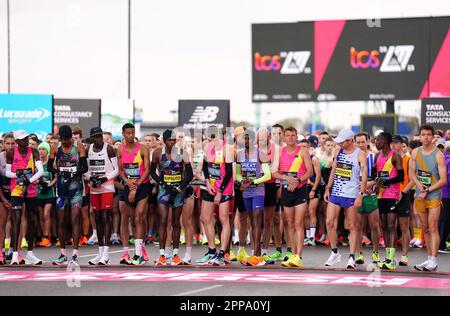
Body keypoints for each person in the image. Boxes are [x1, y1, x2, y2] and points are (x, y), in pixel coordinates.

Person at [323, 128, 367, 269]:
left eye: (342, 142)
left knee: (352, 226)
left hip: (352, 194)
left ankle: (352, 257)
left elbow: (364, 176)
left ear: (349, 141)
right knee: (329, 222)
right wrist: (328, 188)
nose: (339, 144)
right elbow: (333, 171)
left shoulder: (360, 154)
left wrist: (361, 194)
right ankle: (334, 252)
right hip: (336, 192)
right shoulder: (338, 151)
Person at [150, 129, 193, 265]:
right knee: (163, 221)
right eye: (169, 140)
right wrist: (162, 183)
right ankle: (162, 255)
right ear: (164, 140)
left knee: (176, 222)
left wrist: (180, 187)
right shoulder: (157, 153)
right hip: (164, 190)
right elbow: (152, 172)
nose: (172, 142)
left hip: (178, 191)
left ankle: (175, 255)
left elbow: (189, 174)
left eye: (174, 140)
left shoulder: (182, 153)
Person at [272, 127, 313, 268]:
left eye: (293, 135)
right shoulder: (279, 152)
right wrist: (286, 178)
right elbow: (274, 172)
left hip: (300, 190)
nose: (290, 138)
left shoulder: (303, 151)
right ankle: (292, 253)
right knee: (289, 223)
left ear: (296, 137)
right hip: (286, 190)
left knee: (298, 223)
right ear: (284, 137)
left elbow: (310, 172)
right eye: (287, 135)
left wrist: (298, 181)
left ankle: (298, 256)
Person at [48, 126, 87, 265]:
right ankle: (63, 254)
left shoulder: (79, 146)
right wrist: (59, 171)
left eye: (67, 139)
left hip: (76, 188)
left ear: (71, 137)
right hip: (61, 189)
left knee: (75, 219)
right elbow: (48, 167)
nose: (65, 142)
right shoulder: (55, 147)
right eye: (62, 139)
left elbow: (84, 168)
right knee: (61, 221)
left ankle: (75, 255)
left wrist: (72, 173)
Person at [410, 125, 447, 271]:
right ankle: (429, 258)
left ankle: (434, 260)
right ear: (419, 136)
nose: (425, 137)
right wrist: (419, 186)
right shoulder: (415, 152)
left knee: (432, 227)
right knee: (425, 228)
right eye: (423, 134)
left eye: (428, 135)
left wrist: (427, 189)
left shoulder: (438, 154)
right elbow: (412, 173)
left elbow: (443, 179)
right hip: (419, 194)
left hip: (434, 195)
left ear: (433, 137)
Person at [195, 128, 234, 266]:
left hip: (224, 188)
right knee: (205, 218)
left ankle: (222, 253)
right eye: (208, 137)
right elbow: (205, 167)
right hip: (210, 186)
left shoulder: (226, 149)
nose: (211, 139)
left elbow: (229, 173)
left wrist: (220, 191)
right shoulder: (207, 147)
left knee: (223, 219)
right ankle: (211, 250)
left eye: (213, 136)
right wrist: (206, 181)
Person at [6, 130, 44, 265]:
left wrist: (29, 180)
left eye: (27, 138)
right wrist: (20, 175)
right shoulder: (11, 153)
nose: (26, 140)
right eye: (22, 139)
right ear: (17, 142)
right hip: (16, 190)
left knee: (32, 219)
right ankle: (15, 255)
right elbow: (7, 172)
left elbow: (41, 171)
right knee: (16, 219)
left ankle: (30, 253)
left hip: (31, 189)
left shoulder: (34, 151)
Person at [236, 129, 272, 266]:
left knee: (257, 220)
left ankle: (258, 255)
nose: (246, 141)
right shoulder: (239, 155)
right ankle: (254, 253)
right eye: (244, 139)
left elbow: (268, 175)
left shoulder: (260, 154)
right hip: (246, 192)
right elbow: (238, 174)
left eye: (249, 139)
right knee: (252, 222)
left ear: (253, 140)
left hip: (258, 190)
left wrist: (253, 182)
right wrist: (241, 182)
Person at [117, 123, 151, 265]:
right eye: (128, 133)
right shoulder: (120, 149)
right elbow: (120, 171)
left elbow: (148, 170)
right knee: (131, 219)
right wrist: (126, 182)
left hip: (142, 186)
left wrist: (135, 185)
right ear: (123, 134)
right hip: (128, 186)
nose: (131, 135)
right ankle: (133, 252)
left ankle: (138, 254)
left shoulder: (142, 148)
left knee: (138, 217)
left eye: (133, 132)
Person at [86, 127, 119, 265]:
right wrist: (90, 178)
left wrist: (104, 179)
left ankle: (106, 253)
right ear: (92, 138)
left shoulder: (109, 149)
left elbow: (116, 170)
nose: (98, 139)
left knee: (106, 216)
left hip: (107, 187)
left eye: (99, 136)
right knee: (98, 217)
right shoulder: (88, 149)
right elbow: (86, 170)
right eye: (95, 137)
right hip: (94, 188)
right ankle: (99, 253)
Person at [374, 132, 404, 270]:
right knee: (384, 225)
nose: (376, 142)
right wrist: (375, 183)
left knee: (391, 226)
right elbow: (375, 175)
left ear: (385, 141)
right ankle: (387, 257)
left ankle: (391, 259)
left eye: (378, 140)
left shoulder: (395, 156)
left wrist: (386, 180)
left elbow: (401, 177)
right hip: (381, 195)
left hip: (392, 194)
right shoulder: (376, 156)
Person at [354, 132, 381, 265]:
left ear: (368, 141)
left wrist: (372, 184)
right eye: (357, 142)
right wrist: (360, 186)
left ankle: (375, 253)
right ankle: (359, 253)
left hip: (371, 194)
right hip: (356, 194)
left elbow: (380, 176)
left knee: (374, 226)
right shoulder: (351, 157)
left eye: (363, 142)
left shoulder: (374, 156)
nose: (360, 145)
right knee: (357, 226)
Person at [392, 135, 414, 266]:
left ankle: (404, 256)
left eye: (396, 143)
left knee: (404, 227)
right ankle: (391, 256)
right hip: (389, 195)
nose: (393, 145)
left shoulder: (408, 160)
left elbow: (412, 180)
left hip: (403, 194)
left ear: (402, 144)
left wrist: (402, 192)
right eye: (392, 143)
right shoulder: (389, 158)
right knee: (390, 227)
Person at [36, 142, 57, 248]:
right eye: (40, 149)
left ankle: (46, 238)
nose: (41, 151)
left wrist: (49, 186)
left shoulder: (51, 163)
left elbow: (56, 176)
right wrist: (39, 182)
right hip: (38, 192)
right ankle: (44, 237)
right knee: (40, 216)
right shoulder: (36, 163)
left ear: (48, 151)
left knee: (46, 214)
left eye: (44, 149)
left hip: (49, 192)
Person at [0, 133, 15, 263]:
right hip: (2, 193)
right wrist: (4, 199)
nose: (10, 146)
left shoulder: (19, 157)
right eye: (7, 143)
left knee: (16, 221)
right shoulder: (0, 158)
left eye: (12, 143)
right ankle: (1, 253)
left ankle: (14, 252)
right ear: (3, 144)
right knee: (2, 221)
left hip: (16, 192)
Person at [438, 140, 450, 254]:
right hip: (448, 192)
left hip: (442, 192)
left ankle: (441, 243)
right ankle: (442, 244)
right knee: (446, 219)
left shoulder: (442, 158)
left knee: (443, 218)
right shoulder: (449, 160)